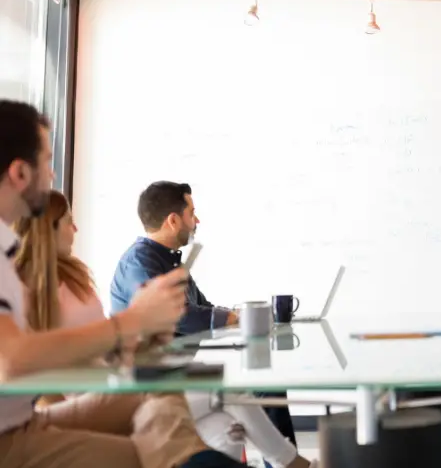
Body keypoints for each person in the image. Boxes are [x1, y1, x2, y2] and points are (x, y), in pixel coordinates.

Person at [0, 99, 245, 468]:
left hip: (26, 420)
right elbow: (11, 360)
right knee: (141, 454)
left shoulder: (9, 254)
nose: (52, 174)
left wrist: (131, 343)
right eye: (47, 162)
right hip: (9, 439)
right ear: (20, 172)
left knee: (159, 389)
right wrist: (130, 322)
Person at [18, 189, 315, 468]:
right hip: (106, 392)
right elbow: (36, 370)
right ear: (46, 229)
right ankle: (293, 464)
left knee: (224, 425)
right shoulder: (32, 288)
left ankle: (290, 463)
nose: (76, 228)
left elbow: (111, 336)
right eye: (68, 221)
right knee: (226, 388)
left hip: (121, 376)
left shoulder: (74, 275)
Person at [110, 181, 298, 463]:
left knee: (233, 423)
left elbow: (203, 308)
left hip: (176, 373)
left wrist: (237, 315)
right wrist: (232, 318)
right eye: (191, 213)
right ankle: (291, 463)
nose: (197, 220)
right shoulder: (139, 263)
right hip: (149, 384)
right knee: (243, 389)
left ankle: (287, 463)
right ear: (173, 220)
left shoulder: (171, 262)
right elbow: (178, 314)